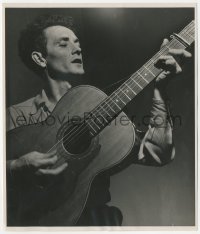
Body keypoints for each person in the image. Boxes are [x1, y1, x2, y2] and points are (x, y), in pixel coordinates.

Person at [6, 14, 192, 226]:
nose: (77, 49)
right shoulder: (13, 115)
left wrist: (159, 90)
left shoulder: (102, 110)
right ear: (40, 58)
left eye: (77, 43)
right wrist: (17, 166)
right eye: (63, 44)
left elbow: (159, 154)